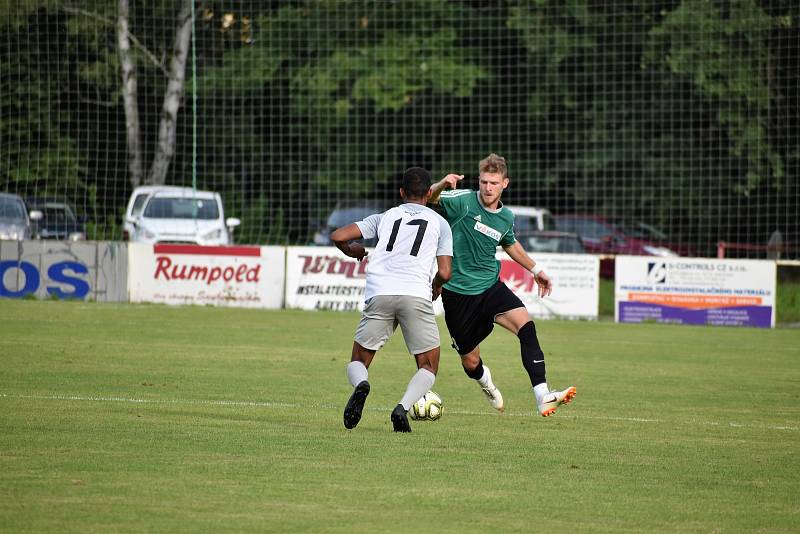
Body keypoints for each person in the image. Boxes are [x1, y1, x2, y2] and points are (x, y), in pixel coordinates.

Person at [429, 153, 576, 417]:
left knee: (527, 327)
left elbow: (508, 242)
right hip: (458, 295)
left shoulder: (505, 216)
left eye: (494, 183)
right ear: (479, 181)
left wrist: (536, 269)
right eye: (484, 182)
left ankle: (543, 394)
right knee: (470, 362)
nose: (488, 188)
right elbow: (428, 197)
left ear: (504, 184)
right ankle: (485, 381)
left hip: (490, 288)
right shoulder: (462, 201)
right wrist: (442, 183)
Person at [331, 167, 453, 432]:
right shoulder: (440, 223)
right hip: (415, 295)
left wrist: (352, 251)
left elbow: (338, 236)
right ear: (430, 193)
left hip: (380, 291)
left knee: (359, 361)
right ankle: (402, 408)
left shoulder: (385, 217)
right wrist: (437, 286)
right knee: (428, 365)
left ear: (401, 192)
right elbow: (445, 272)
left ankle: (361, 385)